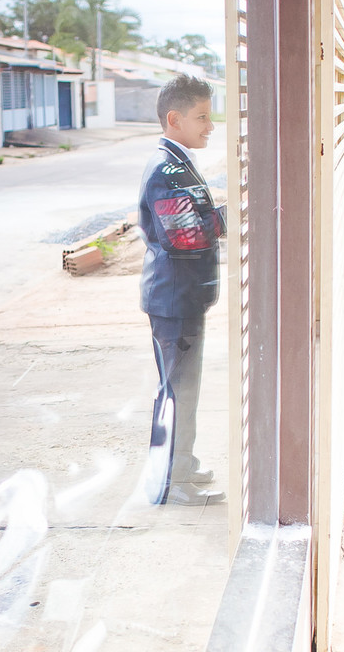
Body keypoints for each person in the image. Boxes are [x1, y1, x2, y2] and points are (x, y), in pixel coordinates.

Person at [137, 74, 226, 507]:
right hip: (175, 298)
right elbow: (184, 236)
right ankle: (172, 483)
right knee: (177, 392)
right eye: (202, 117)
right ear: (175, 119)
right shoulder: (165, 170)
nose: (211, 126)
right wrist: (228, 217)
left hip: (182, 296)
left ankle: (181, 465)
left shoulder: (177, 162)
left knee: (183, 390)